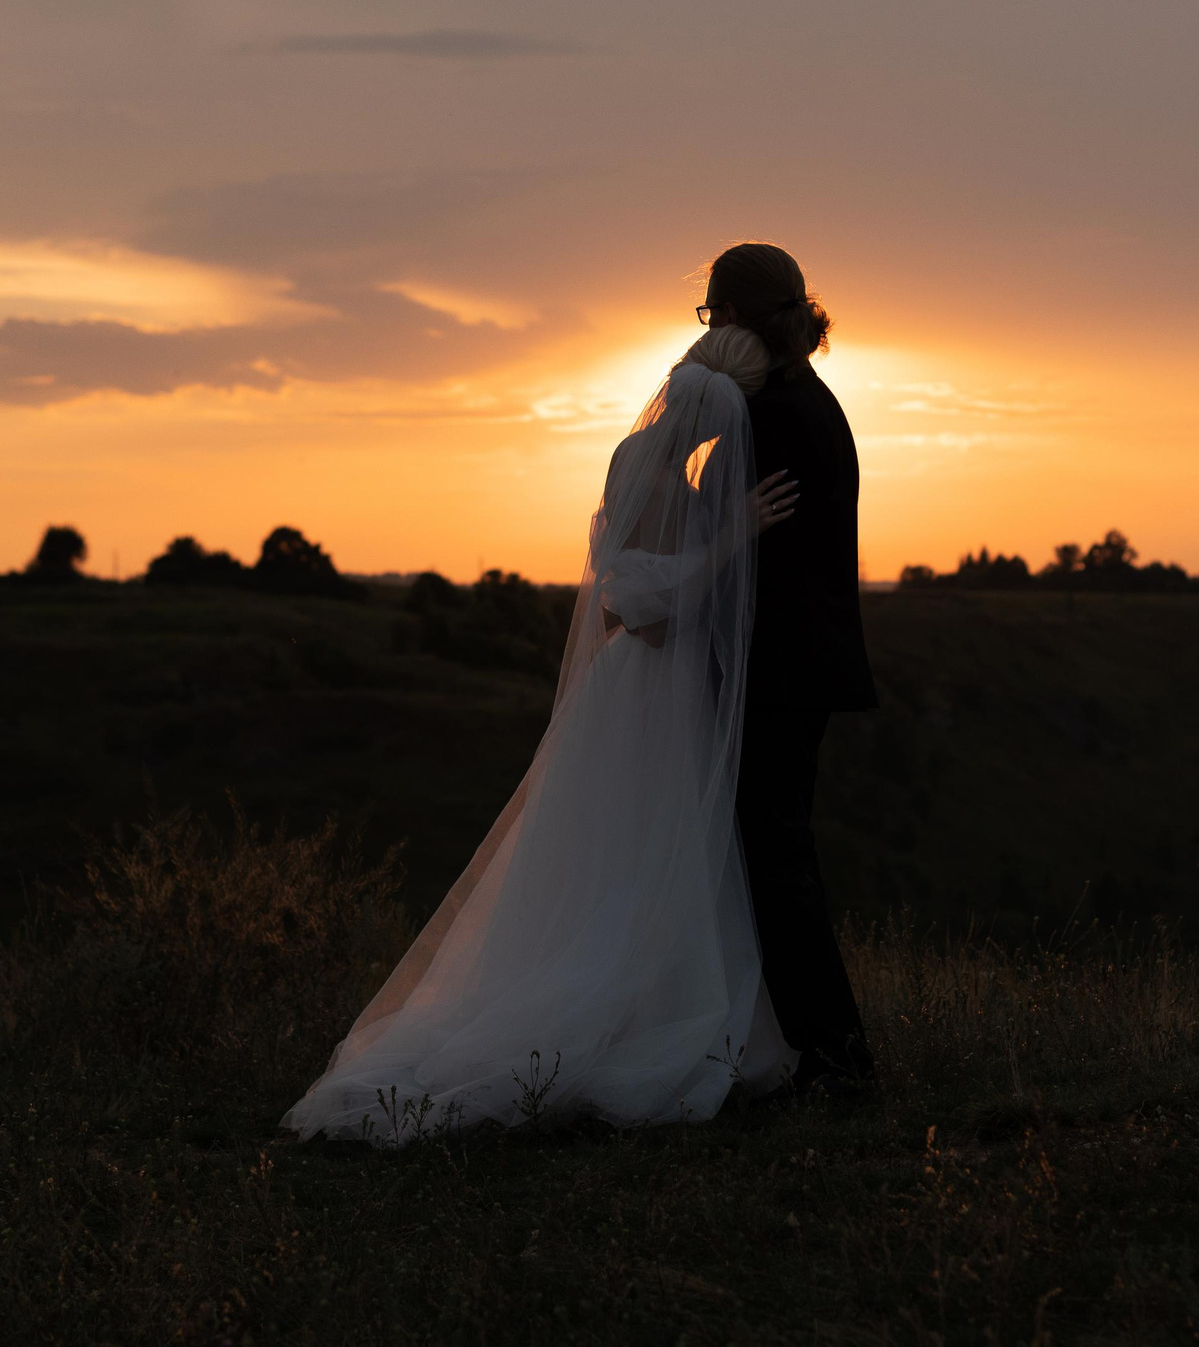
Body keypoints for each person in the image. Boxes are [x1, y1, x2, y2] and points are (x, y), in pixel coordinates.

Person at [282, 314, 807, 1142]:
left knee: (613, 856)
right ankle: (622, 1025)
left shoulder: (634, 459)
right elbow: (645, 612)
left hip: (628, 693)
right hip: (653, 692)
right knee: (647, 853)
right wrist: (731, 537)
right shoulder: (673, 486)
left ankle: (642, 1006)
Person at [697, 242, 879, 1093]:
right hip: (805, 665)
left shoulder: (767, 412)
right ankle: (809, 1046)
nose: (708, 331)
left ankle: (835, 1054)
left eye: (712, 315)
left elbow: (708, 531)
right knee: (775, 855)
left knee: (775, 860)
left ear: (738, 317)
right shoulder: (815, 400)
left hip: (779, 670)